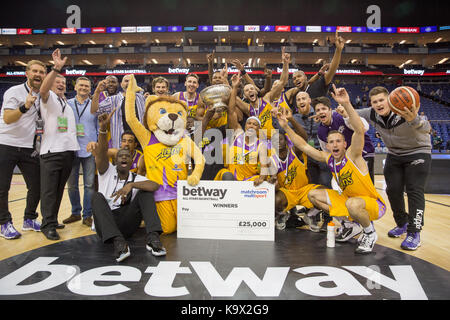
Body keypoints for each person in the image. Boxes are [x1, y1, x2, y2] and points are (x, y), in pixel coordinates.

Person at [277, 84, 387, 254]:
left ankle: (370, 233)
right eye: (331, 142)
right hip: (348, 201)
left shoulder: (354, 155)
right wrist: (285, 127)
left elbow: (359, 130)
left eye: (338, 141)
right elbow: (304, 146)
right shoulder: (328, 157)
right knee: (313, 195)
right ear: (327, 145)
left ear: (345, 144)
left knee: (352, 203)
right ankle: (349, 225)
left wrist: (347, 104)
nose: (335, 144)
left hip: (372, 205)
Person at [357, 86, 431, 251]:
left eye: (382, 100)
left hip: (418, 152)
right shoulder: (371, 113)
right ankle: (403, 223)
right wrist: (341, 108)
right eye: (375, 101)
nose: (378, 104)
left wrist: (415, 119)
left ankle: (414, 232)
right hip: (394, 154)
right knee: (393, 190)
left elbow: (427, 129)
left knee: (414, 191)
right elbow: (352, 113)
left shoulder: (405, 109)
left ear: (389, 99)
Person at [88, 112, 166, 262]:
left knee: (146, 192)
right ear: (115, 160)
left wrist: (131, 184)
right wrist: (103, 129)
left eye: (127, 156)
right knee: (96, 196)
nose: (124, 157)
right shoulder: (107, 172)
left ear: (132, 161)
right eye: (120, 156)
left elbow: (155, 185)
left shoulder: (137, 178)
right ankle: (118, 242)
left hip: (127, 223)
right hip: (106, 223)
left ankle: (153, 238)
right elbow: (102, 153)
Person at [0, 60, 45, 239]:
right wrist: (24, 106)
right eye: (34, 71)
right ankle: (4, 223)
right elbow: (8, 118)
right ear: (27, 73)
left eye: (41, 72)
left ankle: (29, 219)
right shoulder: (14, 91)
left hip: (28, 147)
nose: (38, 74)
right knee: (2, 188)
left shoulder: (43, 95)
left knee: (37, 185)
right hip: (6, 144)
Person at [39, 49, 80, 240]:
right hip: (51, 151)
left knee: (58, 190)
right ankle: (47, 225)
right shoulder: (48, 99)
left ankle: (52, 219)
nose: (61, 85)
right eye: (58, 82)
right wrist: (55, 69)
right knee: (49, 191)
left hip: (67, 152)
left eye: (63, 83)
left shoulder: (65, 102)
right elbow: (43, 89)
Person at [214, 73, 275, 184]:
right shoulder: (238, 134)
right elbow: (231, 111)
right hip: (231, 177)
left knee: (262, 182)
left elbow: (264, 165)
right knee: (226, 175)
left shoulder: (261, 145)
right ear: (245, 125)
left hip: (249, 179)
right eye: (249, 123)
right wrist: (235, 87)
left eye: (254, 124)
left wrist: (261, 178)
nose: (251, 125)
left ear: (258, 129)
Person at [63, 77, 97, 227]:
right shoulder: (67, 104)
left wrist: (96, 142)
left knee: (89, 185)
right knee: (72, 185)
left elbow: (98, 126)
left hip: (89, 149)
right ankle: (75, 212)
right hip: (71, 148)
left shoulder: (94, 106)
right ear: (75, 87)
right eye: (81, 85)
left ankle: (87, 215)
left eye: (87, 86)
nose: (83, 88)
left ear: (90, 89)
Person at [314, 98, 375, 183]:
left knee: (366, 184)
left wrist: (346, 115)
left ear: (330, 110)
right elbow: (327, 151)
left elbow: (364, 127)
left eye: (324, 108)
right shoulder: (320, 132)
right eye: (318, 110)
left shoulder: (341, 116)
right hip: (346, 159)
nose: (321, 112)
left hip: (363, 153)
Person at [285, 30, 345, 107]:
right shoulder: (295, 96)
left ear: (305, 77)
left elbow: (332, 70)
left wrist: (338, 50)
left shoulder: (318, 84)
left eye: (299, 76)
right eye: (294, 79)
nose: (296, 79)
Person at [91, 74, 146, 149]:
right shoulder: (113, 100)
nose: (129, 83)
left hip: (141, 142)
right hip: (120, 143)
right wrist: (97, 92)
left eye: (131, 81)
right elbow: (94, 111)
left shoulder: (142, 99)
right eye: (126, 81)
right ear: (121, 84)